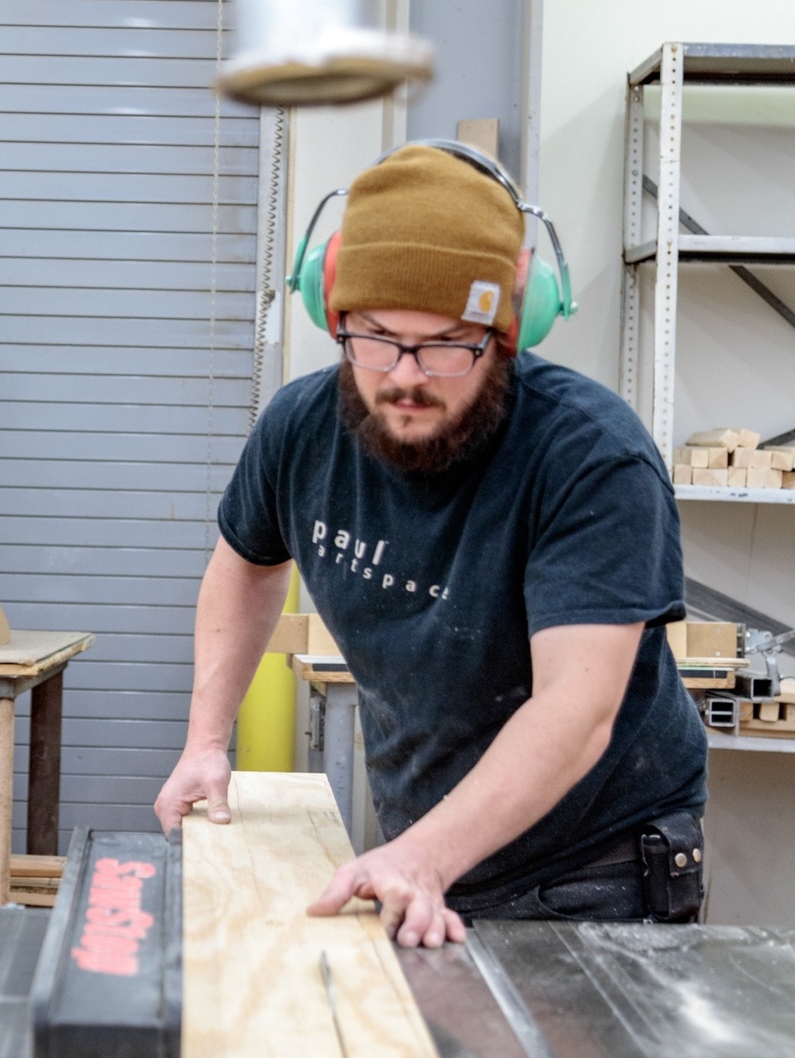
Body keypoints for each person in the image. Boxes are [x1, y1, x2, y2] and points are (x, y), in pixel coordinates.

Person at [153, 143, 708, 948]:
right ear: (333, 316)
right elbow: (245, 569)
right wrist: (206, 741)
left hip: (597, 874)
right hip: (433, 854)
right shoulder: (301, 428)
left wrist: (423, 855)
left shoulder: (591, 458)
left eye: (449, 344)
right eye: (375, 338)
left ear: (512, 331)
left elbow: (575, 708)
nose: (405, 376)